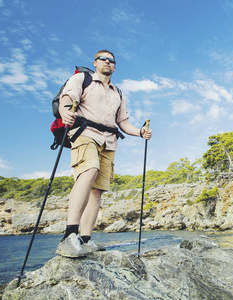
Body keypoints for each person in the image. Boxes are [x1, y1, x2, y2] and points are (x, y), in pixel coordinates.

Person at [56, 50, 152, 258]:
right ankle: (68, 236)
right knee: (89, 171)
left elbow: (122, 122)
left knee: (97, 190)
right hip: (85, 133)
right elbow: (67, 98)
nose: (108, 62)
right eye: (103, 59)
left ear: (115, 67)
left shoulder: (118, 92)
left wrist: (140, 132)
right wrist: (65, 113)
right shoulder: (82, 78)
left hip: (109, 141)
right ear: (95, 62)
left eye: (112, 61)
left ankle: (85, 239)